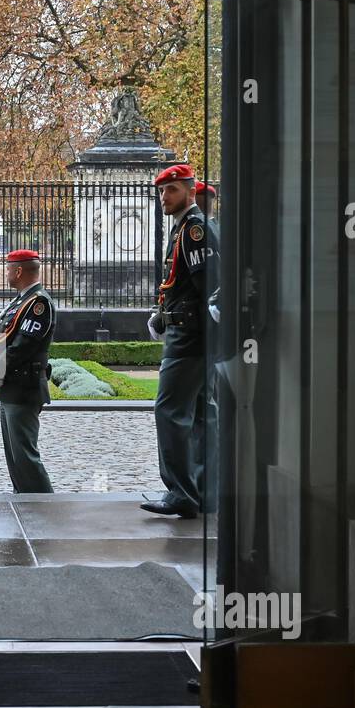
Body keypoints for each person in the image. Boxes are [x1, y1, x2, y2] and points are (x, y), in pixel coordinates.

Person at [142, 163, 211, 519]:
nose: (163, 197)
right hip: (185, 331)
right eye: (161, 191)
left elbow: (207, 288)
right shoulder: (183, 229)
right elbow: (179, 284)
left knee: (169, 410)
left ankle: (181, 492)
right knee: (200, 415)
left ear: (189, 190)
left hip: (189, 337)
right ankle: (202, 491)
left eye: (170, 190)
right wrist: (160, 315)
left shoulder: (194, 230)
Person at [0, 249, 55, 493]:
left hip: (24, 386)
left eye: (8, 268)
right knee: (15, 458)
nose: (6, 273)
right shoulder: (20, 301)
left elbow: (24, 345)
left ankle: (45, 504)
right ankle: (24, 498)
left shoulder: (38, 303)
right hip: (11, 386)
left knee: (25, 456)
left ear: (18, 271)